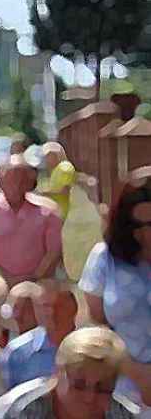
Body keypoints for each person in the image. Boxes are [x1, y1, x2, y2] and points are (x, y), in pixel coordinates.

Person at [79, 166, 151, 408]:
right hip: (123, 383)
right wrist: (138, 374)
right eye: (136, 227)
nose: (145, 235)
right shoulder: (104, 258)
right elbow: (99, 327)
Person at [0, 327, 141, 419]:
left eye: (102, 388)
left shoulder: (124, 416)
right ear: (57, 374)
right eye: (79, 385)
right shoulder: (20, 410)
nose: (89, 397)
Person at [0, 155, 64, 285]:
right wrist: (5, 280)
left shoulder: (48, 211)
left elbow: (53, 253)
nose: (16, 185)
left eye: (22, 180)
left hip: (40, 285)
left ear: (30, 183)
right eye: (10, 180)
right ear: (0, 182)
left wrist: (33, 278)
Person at [0, 281, 78, 393]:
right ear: (36, 310)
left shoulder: (89, 349)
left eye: (59, 305)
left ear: (74, 308)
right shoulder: (16, 353)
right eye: (45, 306)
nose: (51, 312)